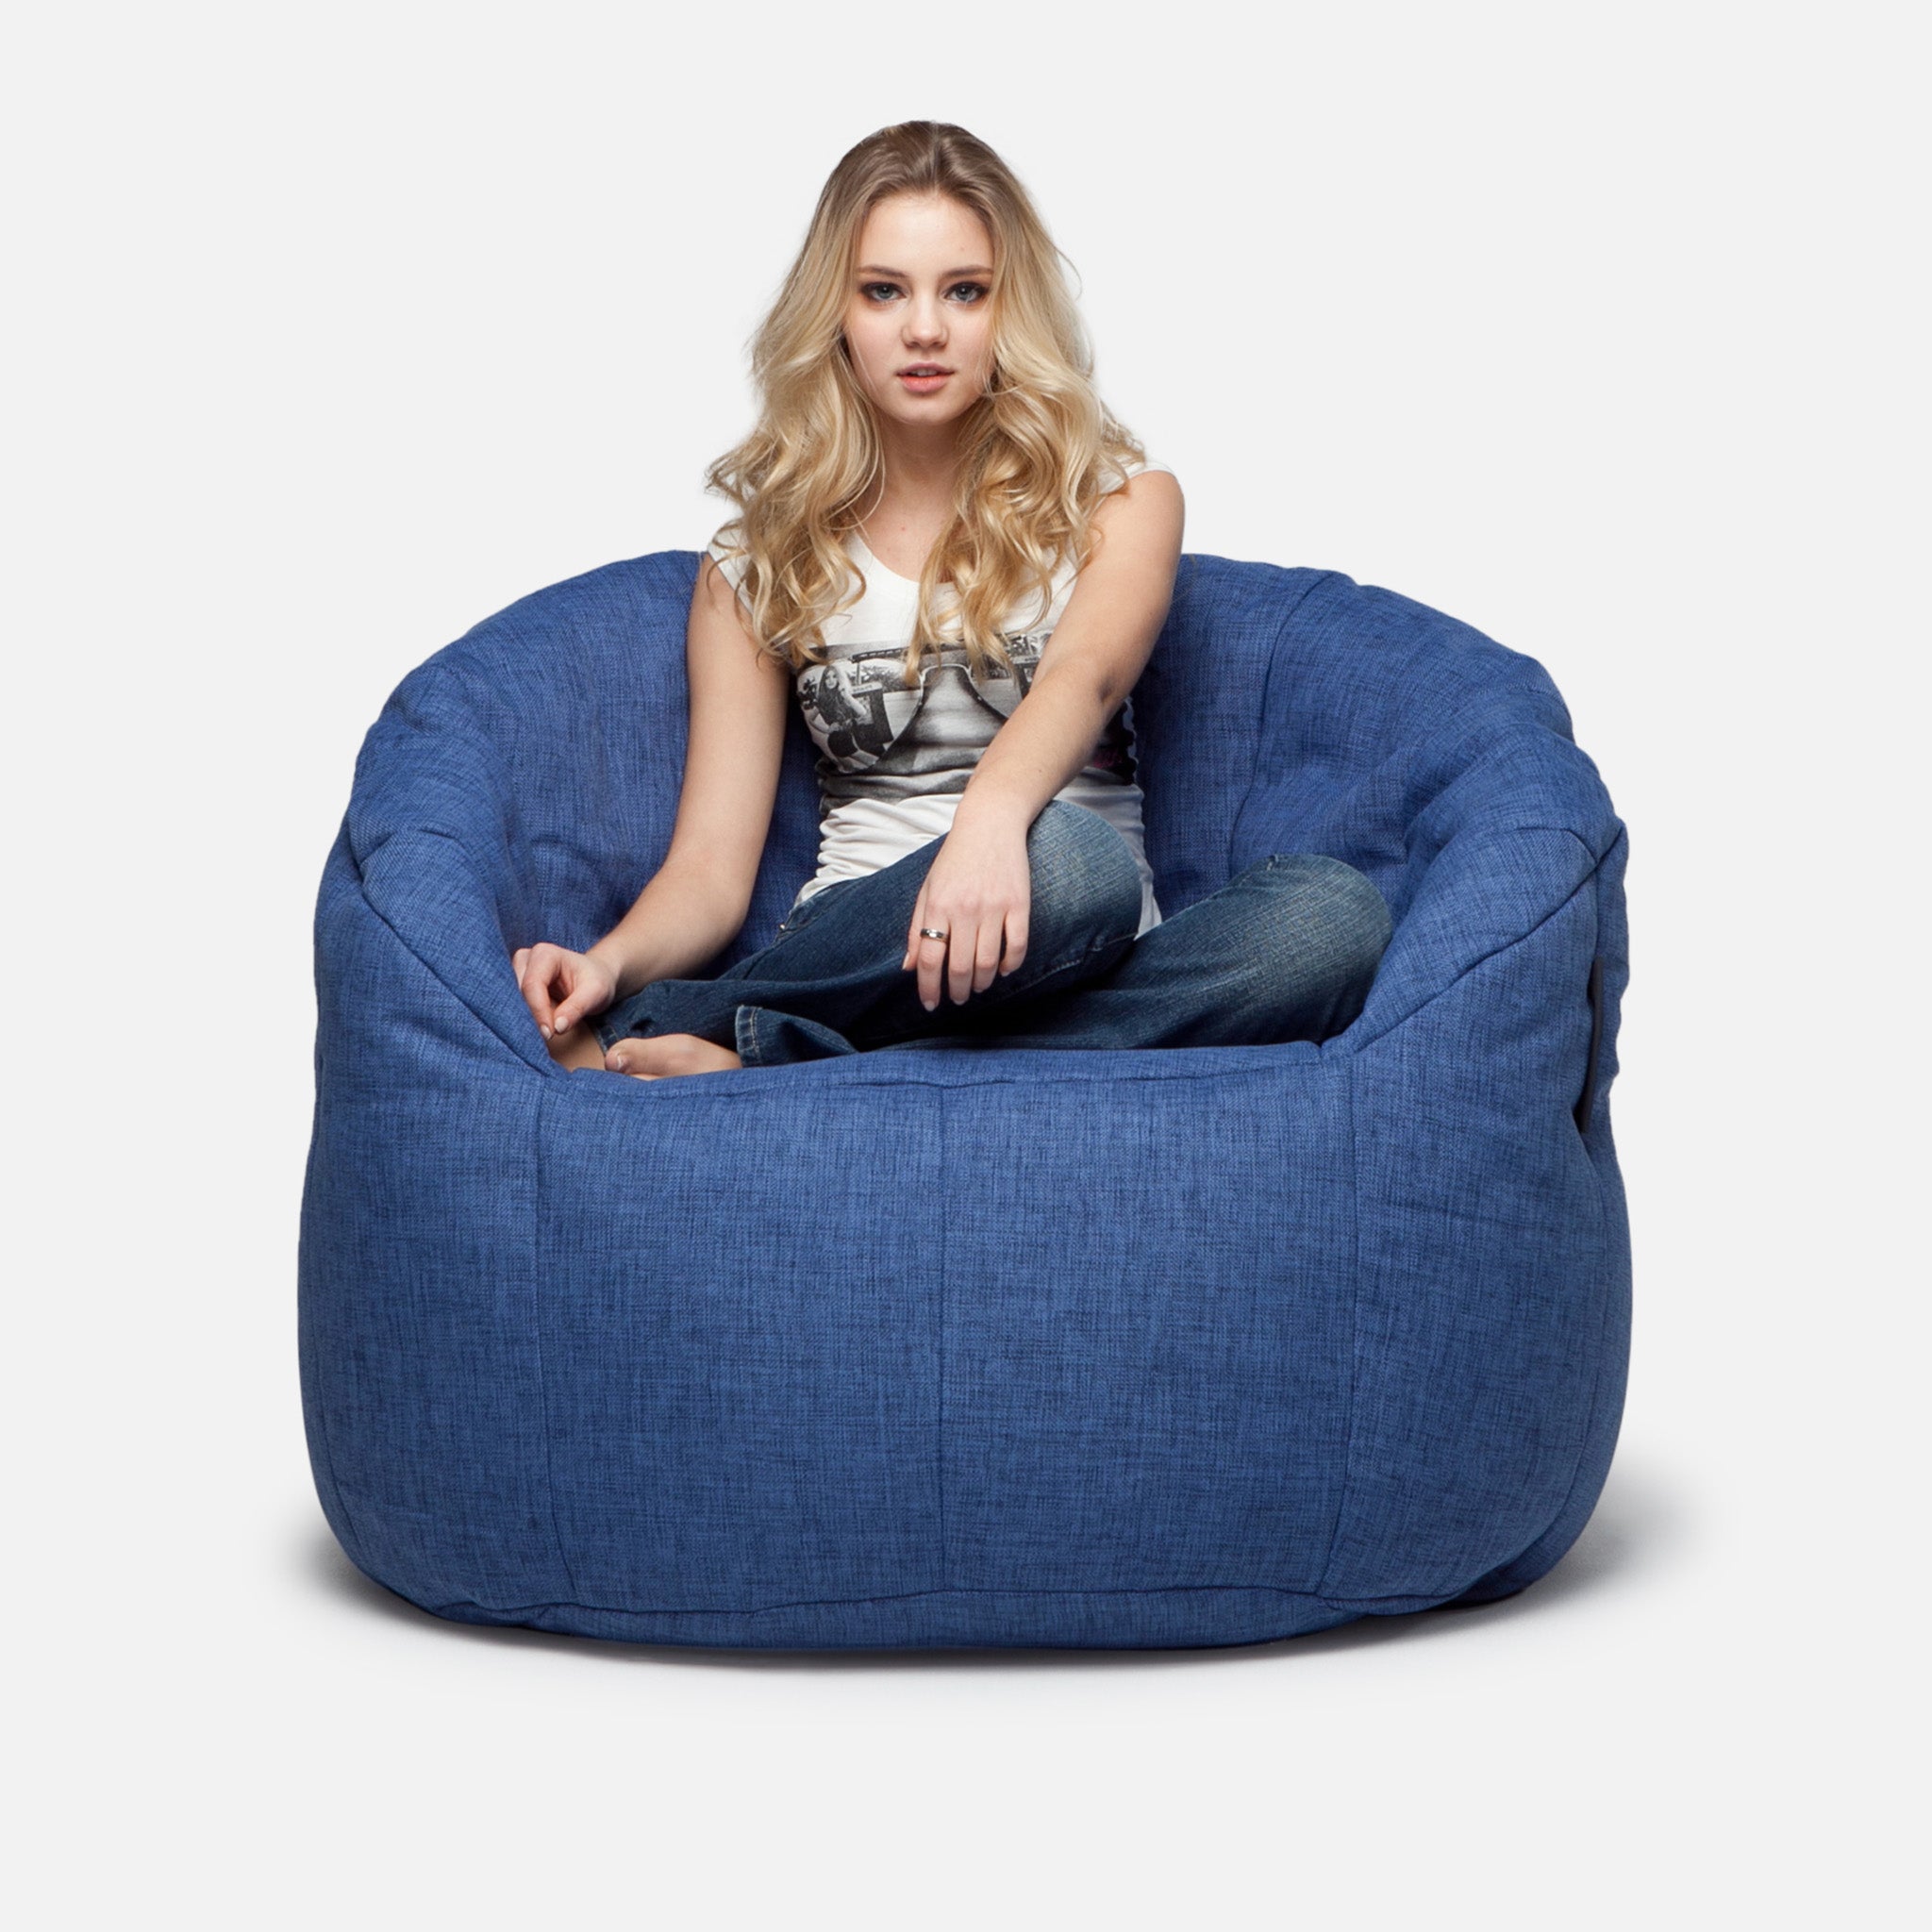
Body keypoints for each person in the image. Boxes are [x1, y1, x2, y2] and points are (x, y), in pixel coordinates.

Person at [514, 121, 1391, 1081]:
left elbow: (1085, 677)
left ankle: (769, 1054)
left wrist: (989, 825)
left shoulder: (1122, 501)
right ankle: (724, 1023)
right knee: (1072, 861)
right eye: (883, 290)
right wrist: (606, 965)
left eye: (964, 291)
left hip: (1091, 948)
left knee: (1324, 918)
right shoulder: (755, 560)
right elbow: (711, 872)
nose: (924, 329)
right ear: (835, 312)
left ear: (1010, 308)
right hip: (875, 955)